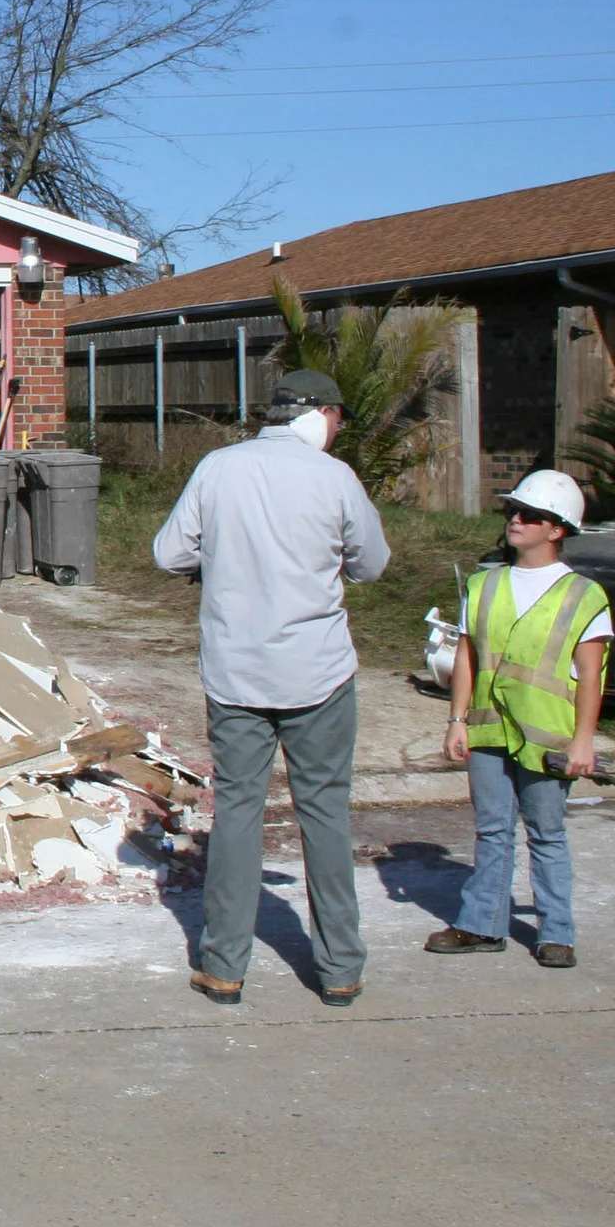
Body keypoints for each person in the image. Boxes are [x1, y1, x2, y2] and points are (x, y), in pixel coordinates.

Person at [152, 369, 390, 1007]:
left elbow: (170, 554)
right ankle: (340, 968)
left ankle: (224, 965)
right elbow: (372, 562)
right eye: (339, 421)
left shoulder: (219, 467)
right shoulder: (334, 477)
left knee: (237, 815)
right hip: (320, 672)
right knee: (325, 815)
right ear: (325, 413)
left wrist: (221, 561)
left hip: (236, 673)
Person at [425, 469, 609, 969]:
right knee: (492, 830)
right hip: (487, 728)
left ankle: (557, 933)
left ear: (558, 530)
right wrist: (456, 719)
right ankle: (482, 925)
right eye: (513, 512)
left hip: (549, 736)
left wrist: (584, 742)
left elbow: (591, 677)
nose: (517, 521)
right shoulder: (484, 585)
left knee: (547, 833)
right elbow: (466, 655)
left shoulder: (585, 596)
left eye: (532, 516)